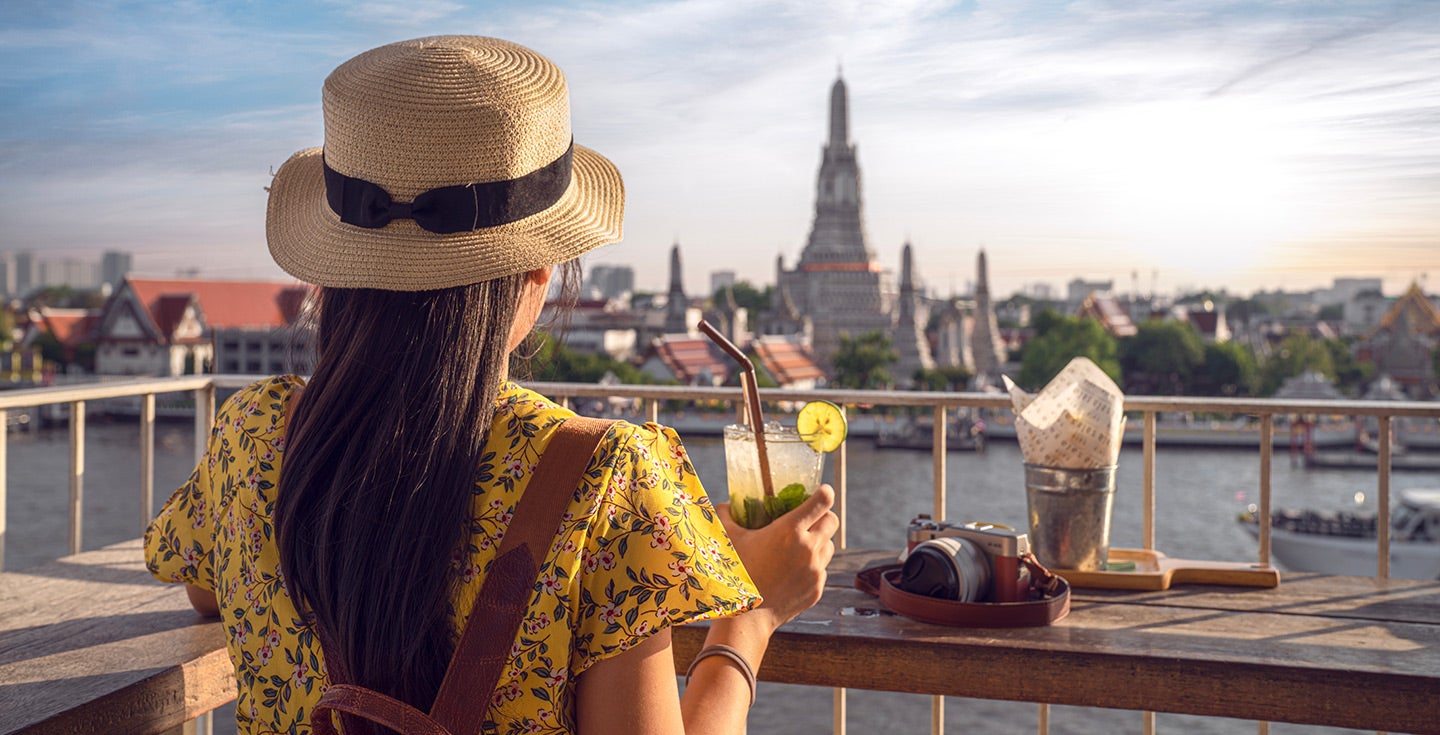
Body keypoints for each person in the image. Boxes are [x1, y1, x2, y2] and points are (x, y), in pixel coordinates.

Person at [144, 35, 837, 735]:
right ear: (539, 268)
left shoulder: (252, 433)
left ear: (336, 265)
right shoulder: (604, 479)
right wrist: (751, 619)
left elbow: (201, 580)